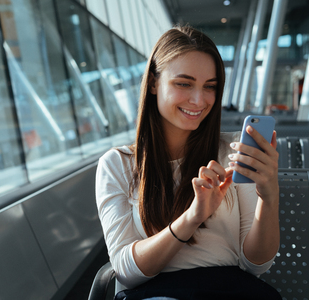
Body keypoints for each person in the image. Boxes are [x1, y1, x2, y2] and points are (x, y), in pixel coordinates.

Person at [95, 25, 281, 300]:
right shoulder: (118, 165)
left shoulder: (233, 151)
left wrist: (269, 196)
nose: (199, 100)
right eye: (184, 83)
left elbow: (256, 264)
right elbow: (125, 270)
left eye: (210, 87)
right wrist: (192, 217)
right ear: (154, 83)